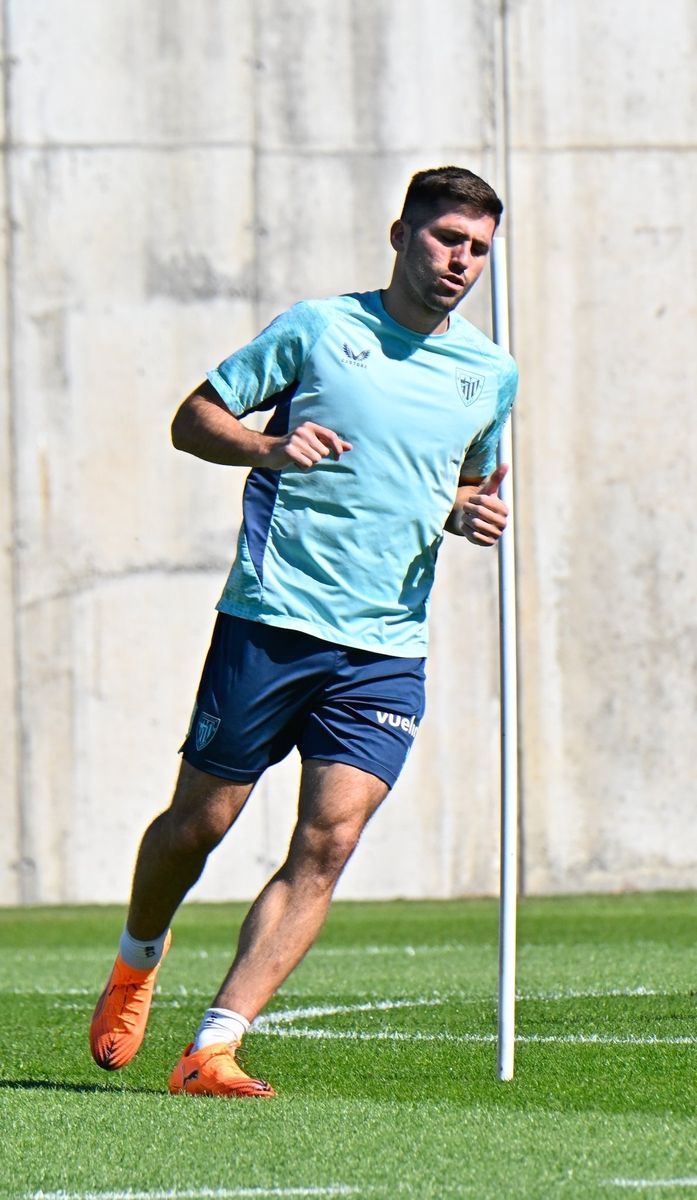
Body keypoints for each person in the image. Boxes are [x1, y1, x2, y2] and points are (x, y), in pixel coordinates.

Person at [89, 165, 518, 1098]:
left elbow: (461, 485)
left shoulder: (489, 373)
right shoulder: (319, 328)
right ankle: (136, 961)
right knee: (201, 821)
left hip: (386, 648)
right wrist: (265, 444)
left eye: (478, 248)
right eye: (447, 238)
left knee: (328, 841)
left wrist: (467, 515)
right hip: (273, 619)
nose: (461, 261)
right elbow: (191, 418)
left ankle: (213, 1046)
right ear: (400, 233)